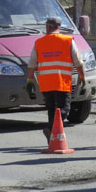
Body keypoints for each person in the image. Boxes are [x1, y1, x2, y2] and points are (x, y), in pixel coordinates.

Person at [26, 16, 86, 144]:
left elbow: (31, 64)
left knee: (52, 110)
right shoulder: (68, 40)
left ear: (48, 27)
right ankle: (51, 130)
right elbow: (78, 62)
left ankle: (52, 138)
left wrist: (29, 80)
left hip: (46, 83)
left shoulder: (39, 42)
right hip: (61, 82)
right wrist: (82, 77)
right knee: (64, 109)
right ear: (59, 27)